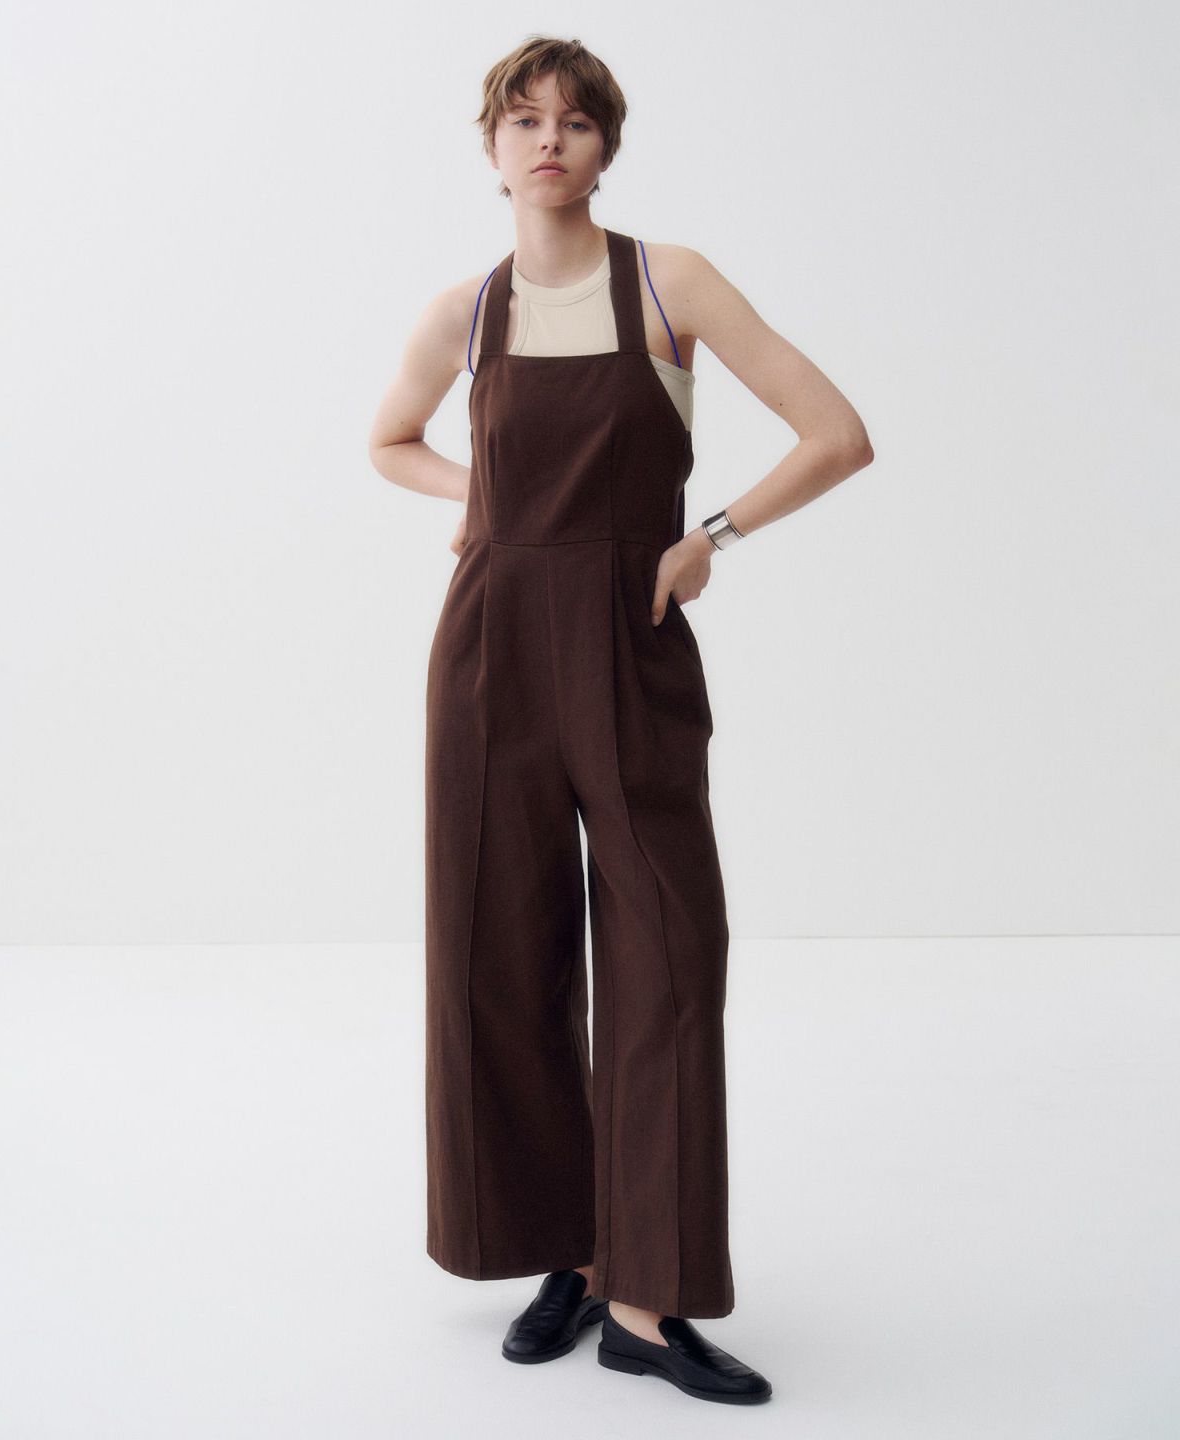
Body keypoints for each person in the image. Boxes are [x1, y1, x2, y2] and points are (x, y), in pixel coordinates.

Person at [368, 35, 873, 1407]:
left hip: (631, 642)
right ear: (492, 149)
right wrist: (480, 501)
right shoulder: (465, 313)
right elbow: (388, 441)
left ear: (606, 146)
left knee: (668, 954)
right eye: (524, 120)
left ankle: (648, 1304)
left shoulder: (669, 283)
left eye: (576, 122)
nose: (550, 141)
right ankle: (573, 1256)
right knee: (501, 951)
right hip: (490, 653)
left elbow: (836, 432)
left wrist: (712, 536)